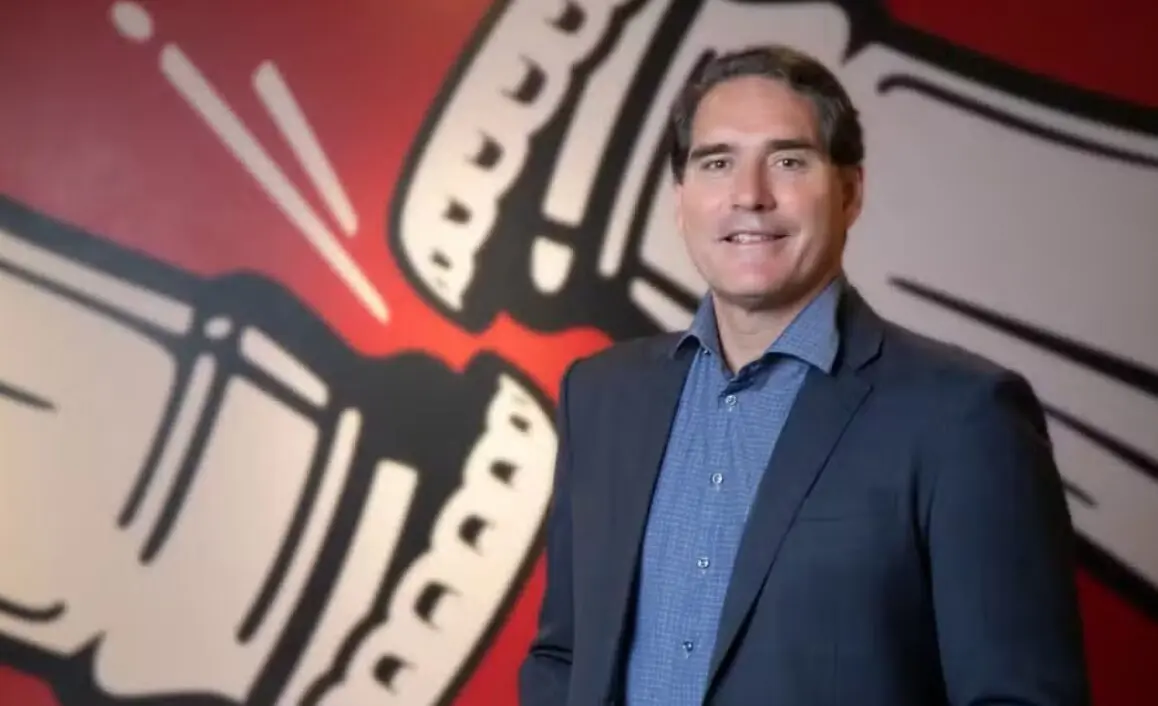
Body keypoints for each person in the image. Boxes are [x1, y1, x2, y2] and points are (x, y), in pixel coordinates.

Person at [518, 44, 1089, 706]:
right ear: (681, 200)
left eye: (788, 160)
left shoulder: (965, 417)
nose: (749, 196)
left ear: (850, 192)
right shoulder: (601, 395)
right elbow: (563, 654)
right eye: (717, 162)